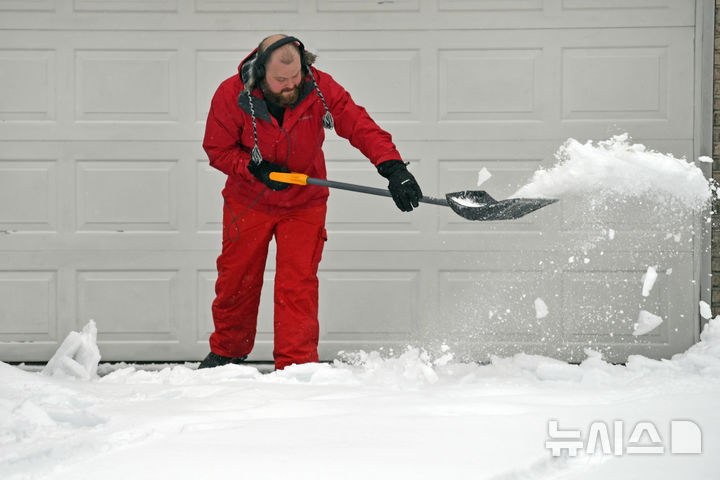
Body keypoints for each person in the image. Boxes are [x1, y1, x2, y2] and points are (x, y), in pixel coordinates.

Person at [200, 34, 423, 370]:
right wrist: (253, 168)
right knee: (236, 280)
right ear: (260, 73)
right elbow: (217, 150)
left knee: (297, 286)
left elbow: (358, 123)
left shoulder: (318, 87)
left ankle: (296, 366)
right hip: (249, 201)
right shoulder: (231, 94)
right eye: (280, 80)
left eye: (295, 78)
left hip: (304, 202)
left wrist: (393, 167)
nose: (290, 87)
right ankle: (227, 352)